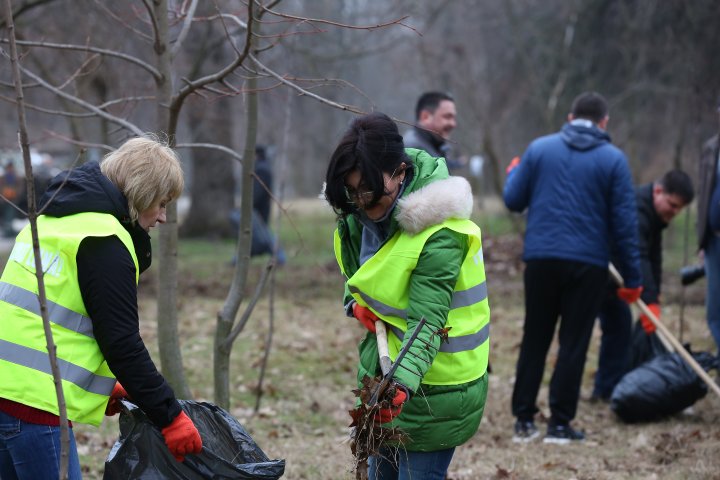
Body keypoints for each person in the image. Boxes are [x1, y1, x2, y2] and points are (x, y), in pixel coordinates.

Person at [0, 136, 202, 479]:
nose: (164, 217)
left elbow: (45, 316)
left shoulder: (52, 218)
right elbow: (122, 343)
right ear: (142, 194)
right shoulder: (104, 242)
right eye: (162, 203)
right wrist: (170, 416)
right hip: (36, 408)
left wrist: (105, 385)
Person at [325, 112, 490, 480]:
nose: (361, 202)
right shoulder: (357, 216)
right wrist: (355, 304)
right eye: (351, 192)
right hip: (384, 373)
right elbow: (362, 274)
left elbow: (428, 320)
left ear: (400, 173)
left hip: (438, 387)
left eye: (367, 190)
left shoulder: (441, 231)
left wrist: (398, 386)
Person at [503, 92, 642, 444]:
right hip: (587, 264)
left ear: (569, 118)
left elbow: (513, 199)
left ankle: (523, 421)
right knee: (574, 343)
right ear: (604, 122)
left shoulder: (538, 149)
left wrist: (515, 172)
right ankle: (560, 426)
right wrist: (634, 279)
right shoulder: (614, 160)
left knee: (535, 337)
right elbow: (625, 226)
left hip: (541, 259)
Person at [592, 170, 695, 401]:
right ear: (658, 191)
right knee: (580, 331)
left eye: (679, 208)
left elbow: (653, 256)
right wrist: (648, 298)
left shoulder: (655, 215)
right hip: (597, 271)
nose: (675, 212)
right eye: (672, 204)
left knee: (619, 328)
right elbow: (638, 253)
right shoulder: (637, 207)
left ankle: (606, 389)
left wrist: (654, 297)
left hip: (616, 279)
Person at [696, 101, 720, 354]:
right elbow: (704, 194)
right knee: (715, 308)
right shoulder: (711, 149)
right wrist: (700, 238)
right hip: (714, 240)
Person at [402, 91, 465, 172]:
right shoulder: (413, 151)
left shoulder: (433, 146)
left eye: (453, 118)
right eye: (447, 117)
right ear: (425, 117)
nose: (453, 124)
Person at [0, 161, 20, 237]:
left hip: (13, 200)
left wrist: (14, 193)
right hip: (5, 200)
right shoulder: (3, 177)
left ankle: (10, 231)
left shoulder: (16, 177)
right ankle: (7, 231)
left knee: (11, 216)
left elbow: (19, 188)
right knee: (6, 216)